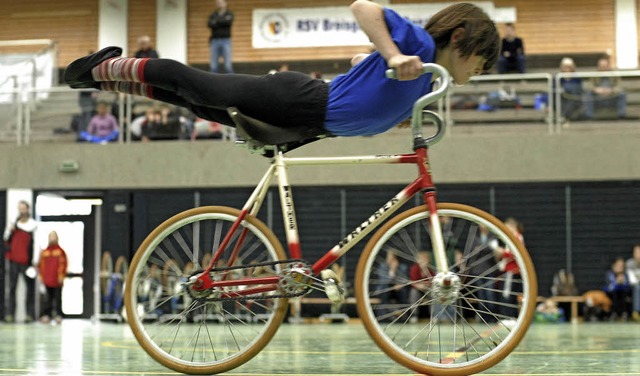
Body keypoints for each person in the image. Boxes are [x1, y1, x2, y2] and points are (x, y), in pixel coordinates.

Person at [63, 1, 499, 140]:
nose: (479, 73)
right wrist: (391, 55)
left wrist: (392, 104)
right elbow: (363, 8)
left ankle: (108, 81)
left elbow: (356, 69)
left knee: (195, 104)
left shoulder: (421, 79)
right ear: (460, 37)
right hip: (302, 100)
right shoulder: (419, 48)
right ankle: (103, 66)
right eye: (482, 63)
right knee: (199, 85)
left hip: (306, 127)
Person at [3, 201, 37, 322]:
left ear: (28, 209)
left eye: (24, 208)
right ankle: (10, 314)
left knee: (30, 289)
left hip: (27, 262)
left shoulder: (33, 225)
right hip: (13, 262)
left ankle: (29, 315)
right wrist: (10, 230)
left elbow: (36, 244)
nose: (22, 211)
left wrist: (35, 261)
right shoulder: (13, 225)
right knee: (12, 288)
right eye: (20, 209)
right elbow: (6, 240)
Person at [494, 217, 523, 320]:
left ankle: (508, 317)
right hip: (510, 270)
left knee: (507, 294)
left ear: (512, 227)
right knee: (509, 294)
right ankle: (511, 317)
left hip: (511, 271)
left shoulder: (517, 238)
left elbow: (516, 254)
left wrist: (502, 252)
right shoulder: (512, 239)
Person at [38, 231, 67, 324]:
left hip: (57, 279)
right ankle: (47, 315)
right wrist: (41, 277)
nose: (52, 238)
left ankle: (58, 315)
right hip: (47, 279)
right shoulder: (45, 252)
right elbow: (41, 265)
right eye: (50, 236)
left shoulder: (60, 251)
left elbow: (64, 264)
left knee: (58, 298)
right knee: (48, 299)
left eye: (54, 236)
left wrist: (62, 276)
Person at [208, 0, 234, 73]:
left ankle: (232, 83)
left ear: (226, 3)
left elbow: (228, 22)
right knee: (213, 65)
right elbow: (209, 24)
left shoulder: (229, 13)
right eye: (218, 3)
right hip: (214, 41)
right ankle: (212, 83)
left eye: (221, 2)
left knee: (228, 65)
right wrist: (223, 21)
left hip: (226, 41)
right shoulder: (213, 14)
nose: (219, 4)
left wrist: (216, 22)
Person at [557, 57, 584, 121]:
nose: (567, 69)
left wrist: (566, 89)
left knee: (571, 100)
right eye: (565, 67)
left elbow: (577, 89)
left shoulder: (577, 78)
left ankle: (564, 117)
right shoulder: (558, 78)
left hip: (574, 98)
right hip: (561, 98)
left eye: (569, 67)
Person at [625, 245, 640, 321]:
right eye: (636, 252)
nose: (638, 254)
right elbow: (632, 280)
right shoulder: (630, 263)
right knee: (637, 287)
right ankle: (636, 312)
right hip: (631, 286)